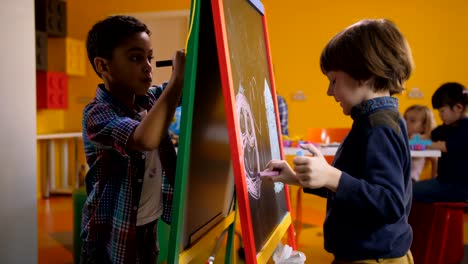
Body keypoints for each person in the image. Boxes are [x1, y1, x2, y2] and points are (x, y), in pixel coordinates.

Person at [264, 19, 414, 263]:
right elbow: (353, 188)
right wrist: (297, 178)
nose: (329, 91)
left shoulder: (379, 127)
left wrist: (333, 177)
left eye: (334, 80)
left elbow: (390, 203)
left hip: (373, 258)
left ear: (363, 74)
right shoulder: (372, 121)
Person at [80, 15, 185, 264]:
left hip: (148, 229)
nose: (148, 66)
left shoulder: (150, 100)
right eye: (136, 57)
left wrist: (189, 70)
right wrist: (177, 79)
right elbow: (145, 138)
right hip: (108, 237)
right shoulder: (97, 114)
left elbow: (190, 90)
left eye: (150, 57)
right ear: (103, 66)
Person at [413, 82, 468, 203]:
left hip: (458, 186)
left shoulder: (465, 127)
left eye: (442, 111)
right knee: (408, 189)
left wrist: (422, 144)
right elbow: (429, 136)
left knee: (408, 191)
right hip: (444, 181)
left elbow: (445, 146)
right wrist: (414, 140)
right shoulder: (447, 126)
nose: (440, 115)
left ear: (458, 108)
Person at [403, 105, 437, 181]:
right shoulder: (403, 137)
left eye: (412, 121)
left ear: (424, 126)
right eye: (405, 119)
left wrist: (433, 180)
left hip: (410, 180)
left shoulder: (420, 139)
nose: (406, 123)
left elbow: (435, 159)